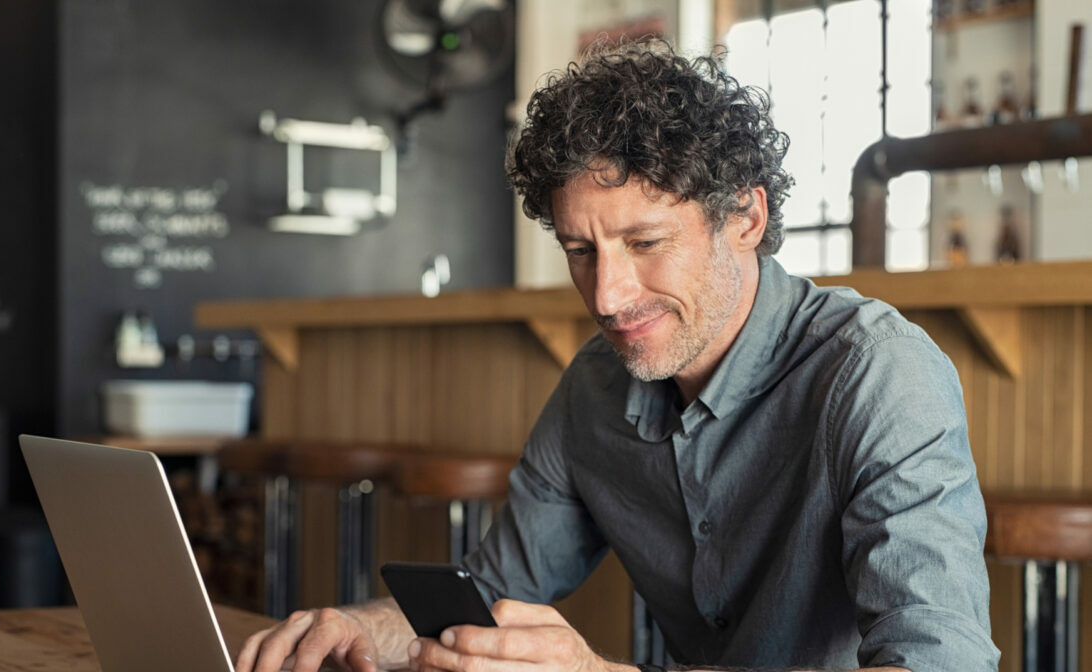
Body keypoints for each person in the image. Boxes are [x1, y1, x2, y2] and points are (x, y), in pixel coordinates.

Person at [236, 38, 999, 672]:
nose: (606, 295)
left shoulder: (880, 375)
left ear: (746, 217)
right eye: (580, 250)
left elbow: (939, 662)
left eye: (644, 243)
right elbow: (497, 587)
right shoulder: (597, 387)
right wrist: (362, 628)